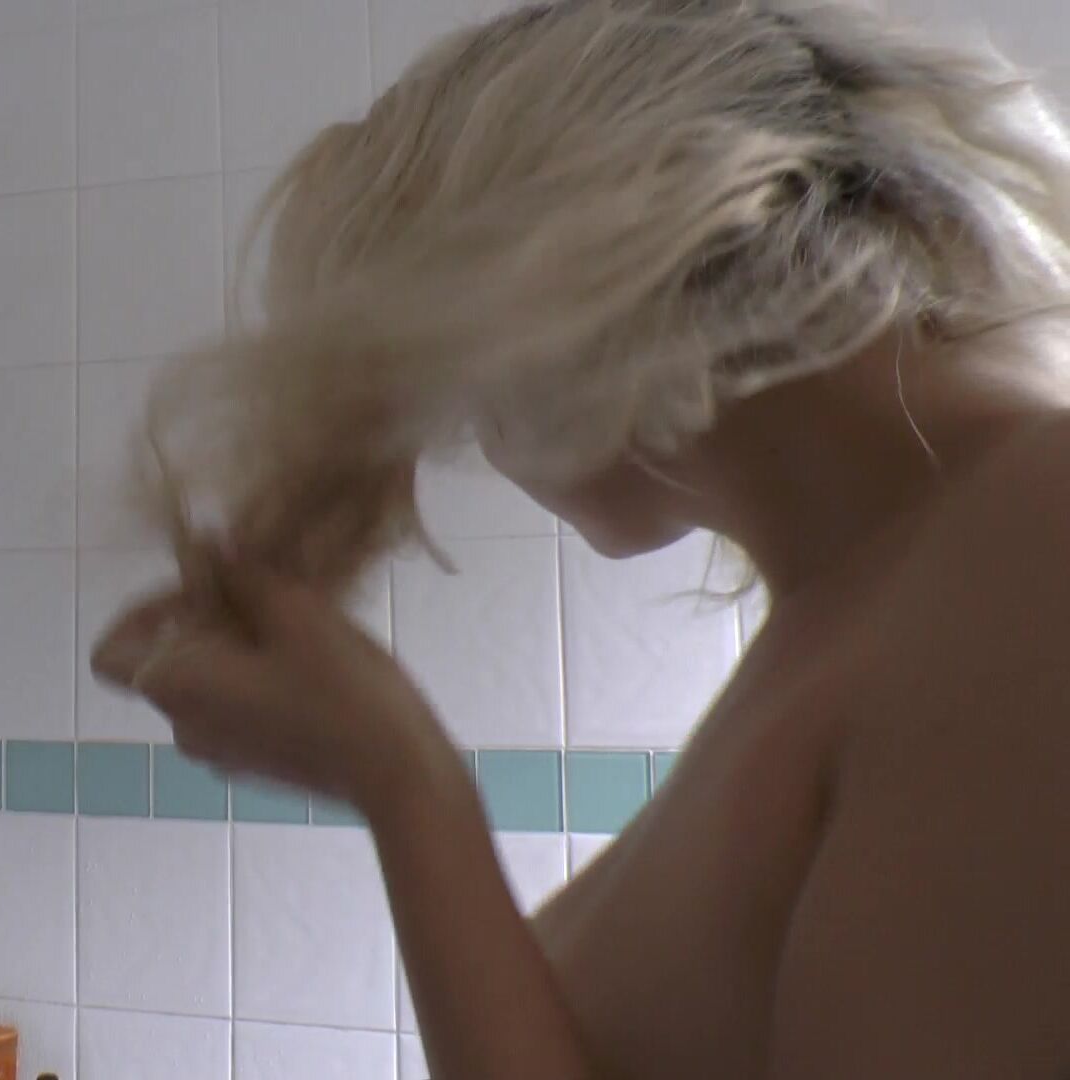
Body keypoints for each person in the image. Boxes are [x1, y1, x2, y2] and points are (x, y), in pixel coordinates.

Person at [90, 2, 1070, 1078]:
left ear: (562, 295)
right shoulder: (870, 590)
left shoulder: (1035, 530)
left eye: (453, 384)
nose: (477, 441)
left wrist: (403, 782)